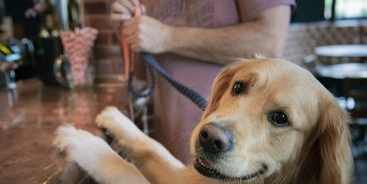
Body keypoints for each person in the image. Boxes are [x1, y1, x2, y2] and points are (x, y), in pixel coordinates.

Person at [111, 0, 296, 164]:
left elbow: (270, 42)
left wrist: (167, 37)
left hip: (233, 158)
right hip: (173, 154)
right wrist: (128, 29)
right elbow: (144, 72)